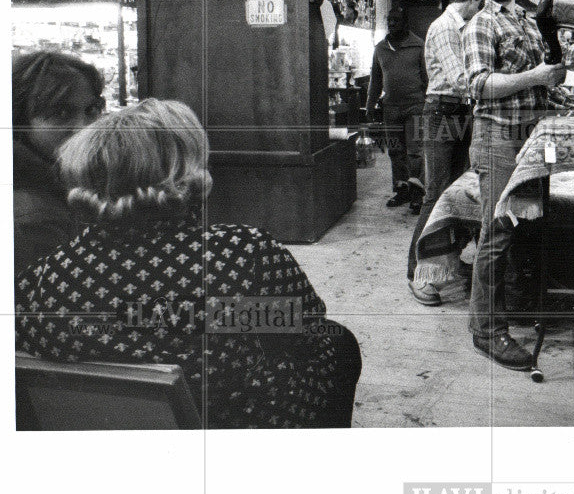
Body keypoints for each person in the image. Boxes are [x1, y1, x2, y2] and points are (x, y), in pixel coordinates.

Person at [14, 99, 362, 429]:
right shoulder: (243, 251)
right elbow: (306, 322)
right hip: (234, 429)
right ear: (185, 172)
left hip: (100, 434)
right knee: (339, 342)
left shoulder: (48, 272)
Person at [462, 0, 566, 370]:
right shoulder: (480, 24)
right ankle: (486, 329)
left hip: (530, 135)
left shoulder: (525, 19)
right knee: (498, 231)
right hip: (497, 136)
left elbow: (542, 76)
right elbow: (480, 85)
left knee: (526, 223)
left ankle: (514, 306)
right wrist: (536, 77)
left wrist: (556, 81)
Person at [406, 0, 483, 305]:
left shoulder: (461, 26)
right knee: (435, 193)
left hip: (457, 113)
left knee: (453, 196)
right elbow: (462, 79)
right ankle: (415, 273)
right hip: (442, 113)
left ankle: (445, 265)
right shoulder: (445, 27)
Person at [12, 51, 106, 276]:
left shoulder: (64, 179)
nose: (84, 128)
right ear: (19, 123)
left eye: (91, 110)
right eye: (62, 112)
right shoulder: (32, 219)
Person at [366, 7, 428, 212]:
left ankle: (417, 194)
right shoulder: (380, 48)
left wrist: (429, 104)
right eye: (389, 20)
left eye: (396, 20)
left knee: (415, 153)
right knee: (395, 151)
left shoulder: (419, 46)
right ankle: (401, 191)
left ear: (405, 22)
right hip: (390, 108)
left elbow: (427, 79)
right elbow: (376, 80)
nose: (392, 23)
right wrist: (370, 104)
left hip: (415, 107)